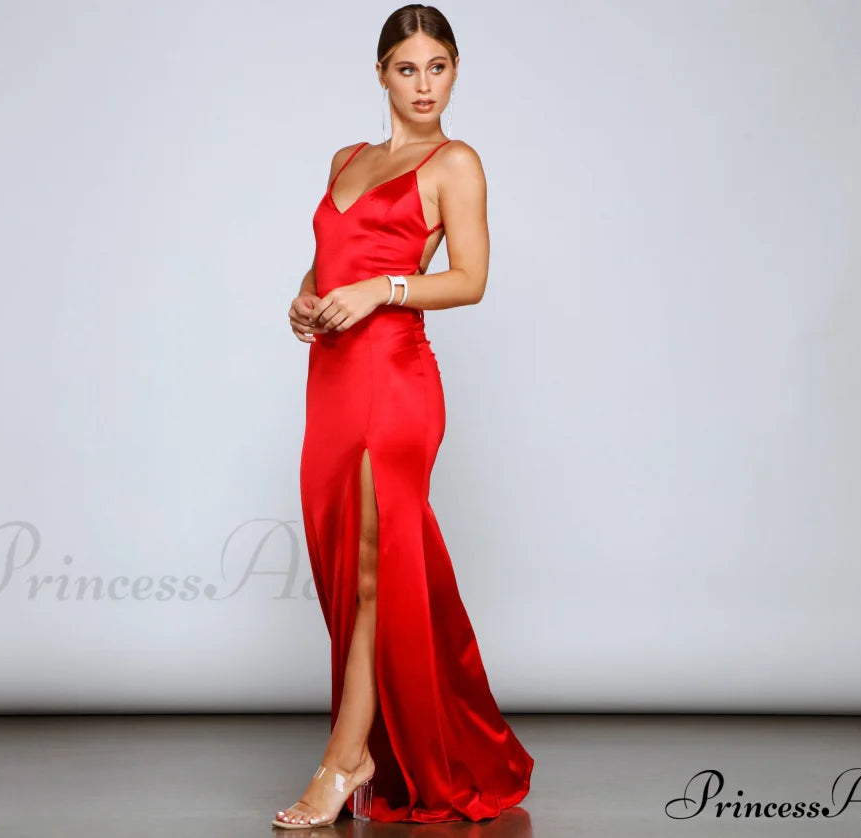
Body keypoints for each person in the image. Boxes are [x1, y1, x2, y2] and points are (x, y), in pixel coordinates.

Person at [275, 4, 534, 827]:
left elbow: (470, 279)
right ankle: (398, 735)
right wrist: (306, 299)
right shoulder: (347, 159)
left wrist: (382, 290)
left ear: (455, 71)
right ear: (381, 74)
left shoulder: (455, 163)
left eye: (439, 67)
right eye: (408, 68)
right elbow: (328, 262)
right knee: (344, 562)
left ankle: (346, 759)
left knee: (374, 568)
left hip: (394, 379)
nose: (425, 85)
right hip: (332, 378)